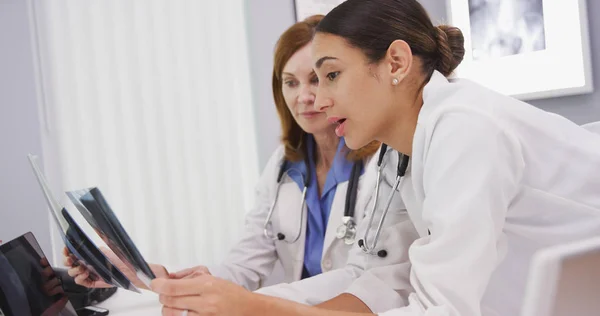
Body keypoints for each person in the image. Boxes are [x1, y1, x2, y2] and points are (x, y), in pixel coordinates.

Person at [150, 0, 600, 315]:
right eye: (301, 82)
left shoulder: (466, 129)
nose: (317, 100)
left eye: (330, 75)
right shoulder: (397, 154)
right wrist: (231, 300)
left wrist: (258, 308)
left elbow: (439, 310)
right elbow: (381, 279)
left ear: (396, 64)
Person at [64, 14, 407, 294]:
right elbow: (242, 268)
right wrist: (151, 276)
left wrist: (256, 304)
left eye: (317, 79)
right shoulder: (283, 166)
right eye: (290, 82)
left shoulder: (384, 161)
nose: (304, 96)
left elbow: (366, 280)